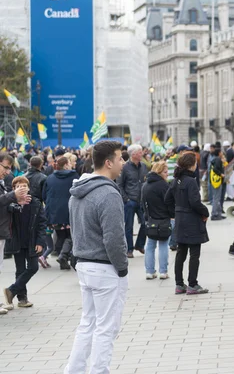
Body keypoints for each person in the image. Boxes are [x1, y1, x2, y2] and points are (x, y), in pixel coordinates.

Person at [64, 141, 128, 374]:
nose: (123, 163)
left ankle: (74, 369)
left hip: (84, 264)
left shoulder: (78, 190)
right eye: (121, 158)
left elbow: (75, 230)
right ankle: (99, 371)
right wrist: (122, 267)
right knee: (106, 328)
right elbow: (114, 237)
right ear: (108, 162)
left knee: (88, 323)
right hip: (104, 267)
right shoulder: (108, 193)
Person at [165, 153, 210, 295]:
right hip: (192, 220)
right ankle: (192, 284)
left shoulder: (175, 180)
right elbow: (195, 202)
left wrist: (175, 212)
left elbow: (167, 200)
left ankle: (179, 284)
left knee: (181, 253)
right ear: (191, 165)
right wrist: (205, 212)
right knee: (194, 254)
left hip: (180, 220)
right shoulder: (191, 181)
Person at [2, 176, 46, 310]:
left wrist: (40, 241)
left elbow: (42, 223)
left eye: (24, 186)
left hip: (32, 241)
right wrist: (18, 204)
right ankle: (22, 298)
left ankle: (11, 290)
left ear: (28, 188)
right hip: (17, 241)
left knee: (33, 267)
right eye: (18, 186)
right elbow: (8, 210)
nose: (22, 188)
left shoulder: (36, 203)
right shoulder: (10, 205)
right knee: (20, 270)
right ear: (14, 189)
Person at [0, 153, 31, 314]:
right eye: (5, 167)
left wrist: (16, 202)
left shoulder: (2, 182)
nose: (7, 172)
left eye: (9, 168)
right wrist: (13, 196)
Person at [42, 156, 79, 269]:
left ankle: (62, 256)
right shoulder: (74, 176)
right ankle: (63, 255)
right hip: (69, 210)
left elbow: (44, 195)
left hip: (54, 211)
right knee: (71, 236)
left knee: (61, 236)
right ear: (66, 164)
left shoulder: (50, 178)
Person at [141, 161, 174, 280]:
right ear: (159, 172)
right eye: (165, 172)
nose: (167, 174)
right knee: (163, 245)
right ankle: (163, 271)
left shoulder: (145, 185)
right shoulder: (163, 186)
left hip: (151, 219)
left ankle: (149, 271)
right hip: (164, 219)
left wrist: (147, 216)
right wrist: (172, 214)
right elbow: (169, 202)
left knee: (150, 245)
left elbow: (143, 203)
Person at [117, 144, 148, 258]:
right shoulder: (124, 168)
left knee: (146, 224)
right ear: (134, 154)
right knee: (128, 226)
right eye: (140, 152)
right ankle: (129, 249)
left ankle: (139, 245)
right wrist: (126, 199)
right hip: (130, 201)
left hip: (141, 201)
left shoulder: (144, 166)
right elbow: (119, 185)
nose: (142, 154)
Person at [210, 148, 226, 221]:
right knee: (216, 198)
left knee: (217, 198)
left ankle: (218, 214)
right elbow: (215, 169)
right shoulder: (218, 160)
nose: (222, 153)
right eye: (221, 152)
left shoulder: (217, 159)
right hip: (217, 181)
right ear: (219, 153)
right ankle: (214, 214)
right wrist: (221, 174)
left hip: (216, 181)